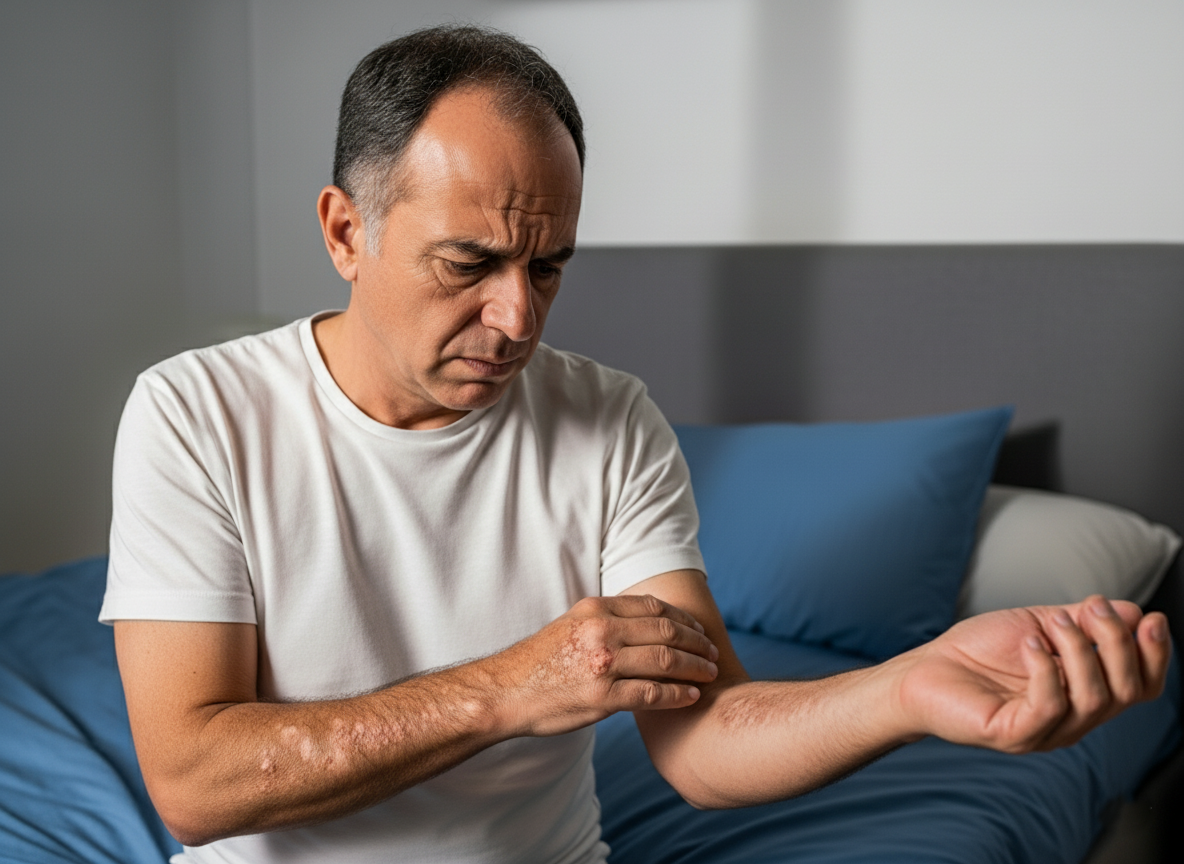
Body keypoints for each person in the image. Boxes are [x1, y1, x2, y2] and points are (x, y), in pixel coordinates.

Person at [102, 25, 1171, 864]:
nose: (519, 318)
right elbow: (193, 781)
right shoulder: (196, 415)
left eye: (550, 266)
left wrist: (905, 685)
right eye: (467, 264)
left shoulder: (609, 420)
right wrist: (512, 686)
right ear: (345, 231)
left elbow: (703, 741)